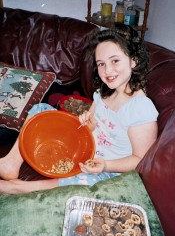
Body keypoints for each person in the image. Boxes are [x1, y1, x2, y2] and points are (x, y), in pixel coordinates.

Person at [0, 25, 158, 194]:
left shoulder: (140, 107)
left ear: (133, 60)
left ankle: (18, 188)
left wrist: (105, 165)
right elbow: (90, 127)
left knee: (85, 180)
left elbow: (141, 161)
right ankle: (10, 163)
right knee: (42, 110)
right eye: (101, 64)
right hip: (81, 150)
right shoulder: (103, 92)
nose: (107, 70)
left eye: (115, 61)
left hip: (106, 170)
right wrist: (88, 125)